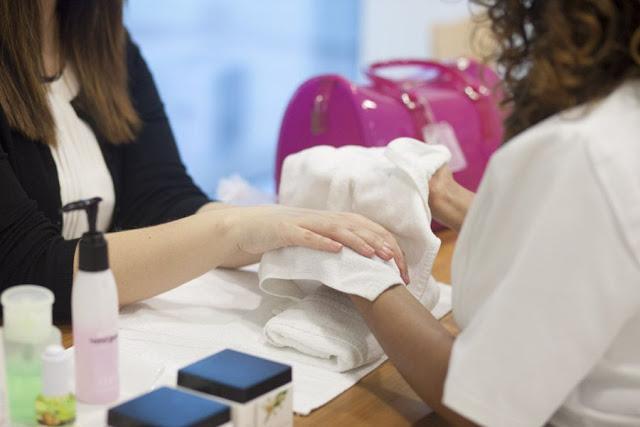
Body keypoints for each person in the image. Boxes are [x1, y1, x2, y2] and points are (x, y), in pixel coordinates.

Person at [0, 0, 409, 321]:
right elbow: (30, 271)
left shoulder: (106, 47)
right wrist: (231, 227)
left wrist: (293, 227)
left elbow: (161, 199)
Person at [349, 1, 640, 426]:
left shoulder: (589, 153)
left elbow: (483, 409)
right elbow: (597, 246)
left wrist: (361, 270)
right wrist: (455, 202)